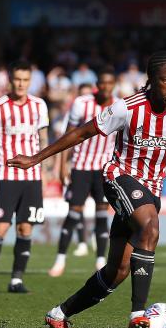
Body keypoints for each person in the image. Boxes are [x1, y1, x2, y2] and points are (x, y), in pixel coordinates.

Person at [7, 51, 166, 328]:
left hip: (151, 189)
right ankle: (138, 315)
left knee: (118, 270)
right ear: (151, 81)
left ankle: (59, 314)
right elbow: (81, 133)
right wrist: (36, 158)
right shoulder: (127, 108)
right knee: (150, 227)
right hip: (118, 177)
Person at [0, 60, 50, 295]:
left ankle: (16, 280)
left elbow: (44, 140)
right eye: (17, 79)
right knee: (0, 227)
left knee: (26, 229)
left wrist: (45, 173)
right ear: (10, 80)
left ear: (30, 81)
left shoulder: (39, 105)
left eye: (25, 80)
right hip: (6, 176)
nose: (21, 84)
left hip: (33, 177)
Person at [48, 68, 117, 277]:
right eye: (102, 83)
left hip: (104, 169)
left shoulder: (120, 106)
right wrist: (61, 165)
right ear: (97, 84)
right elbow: (68, 135)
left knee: (101, 215)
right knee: (74, 212)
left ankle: (100, 261)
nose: (105, 87)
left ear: (113, 85)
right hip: (80, 166)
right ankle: (60, 259)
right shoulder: (82, 103)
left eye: (109, 83)